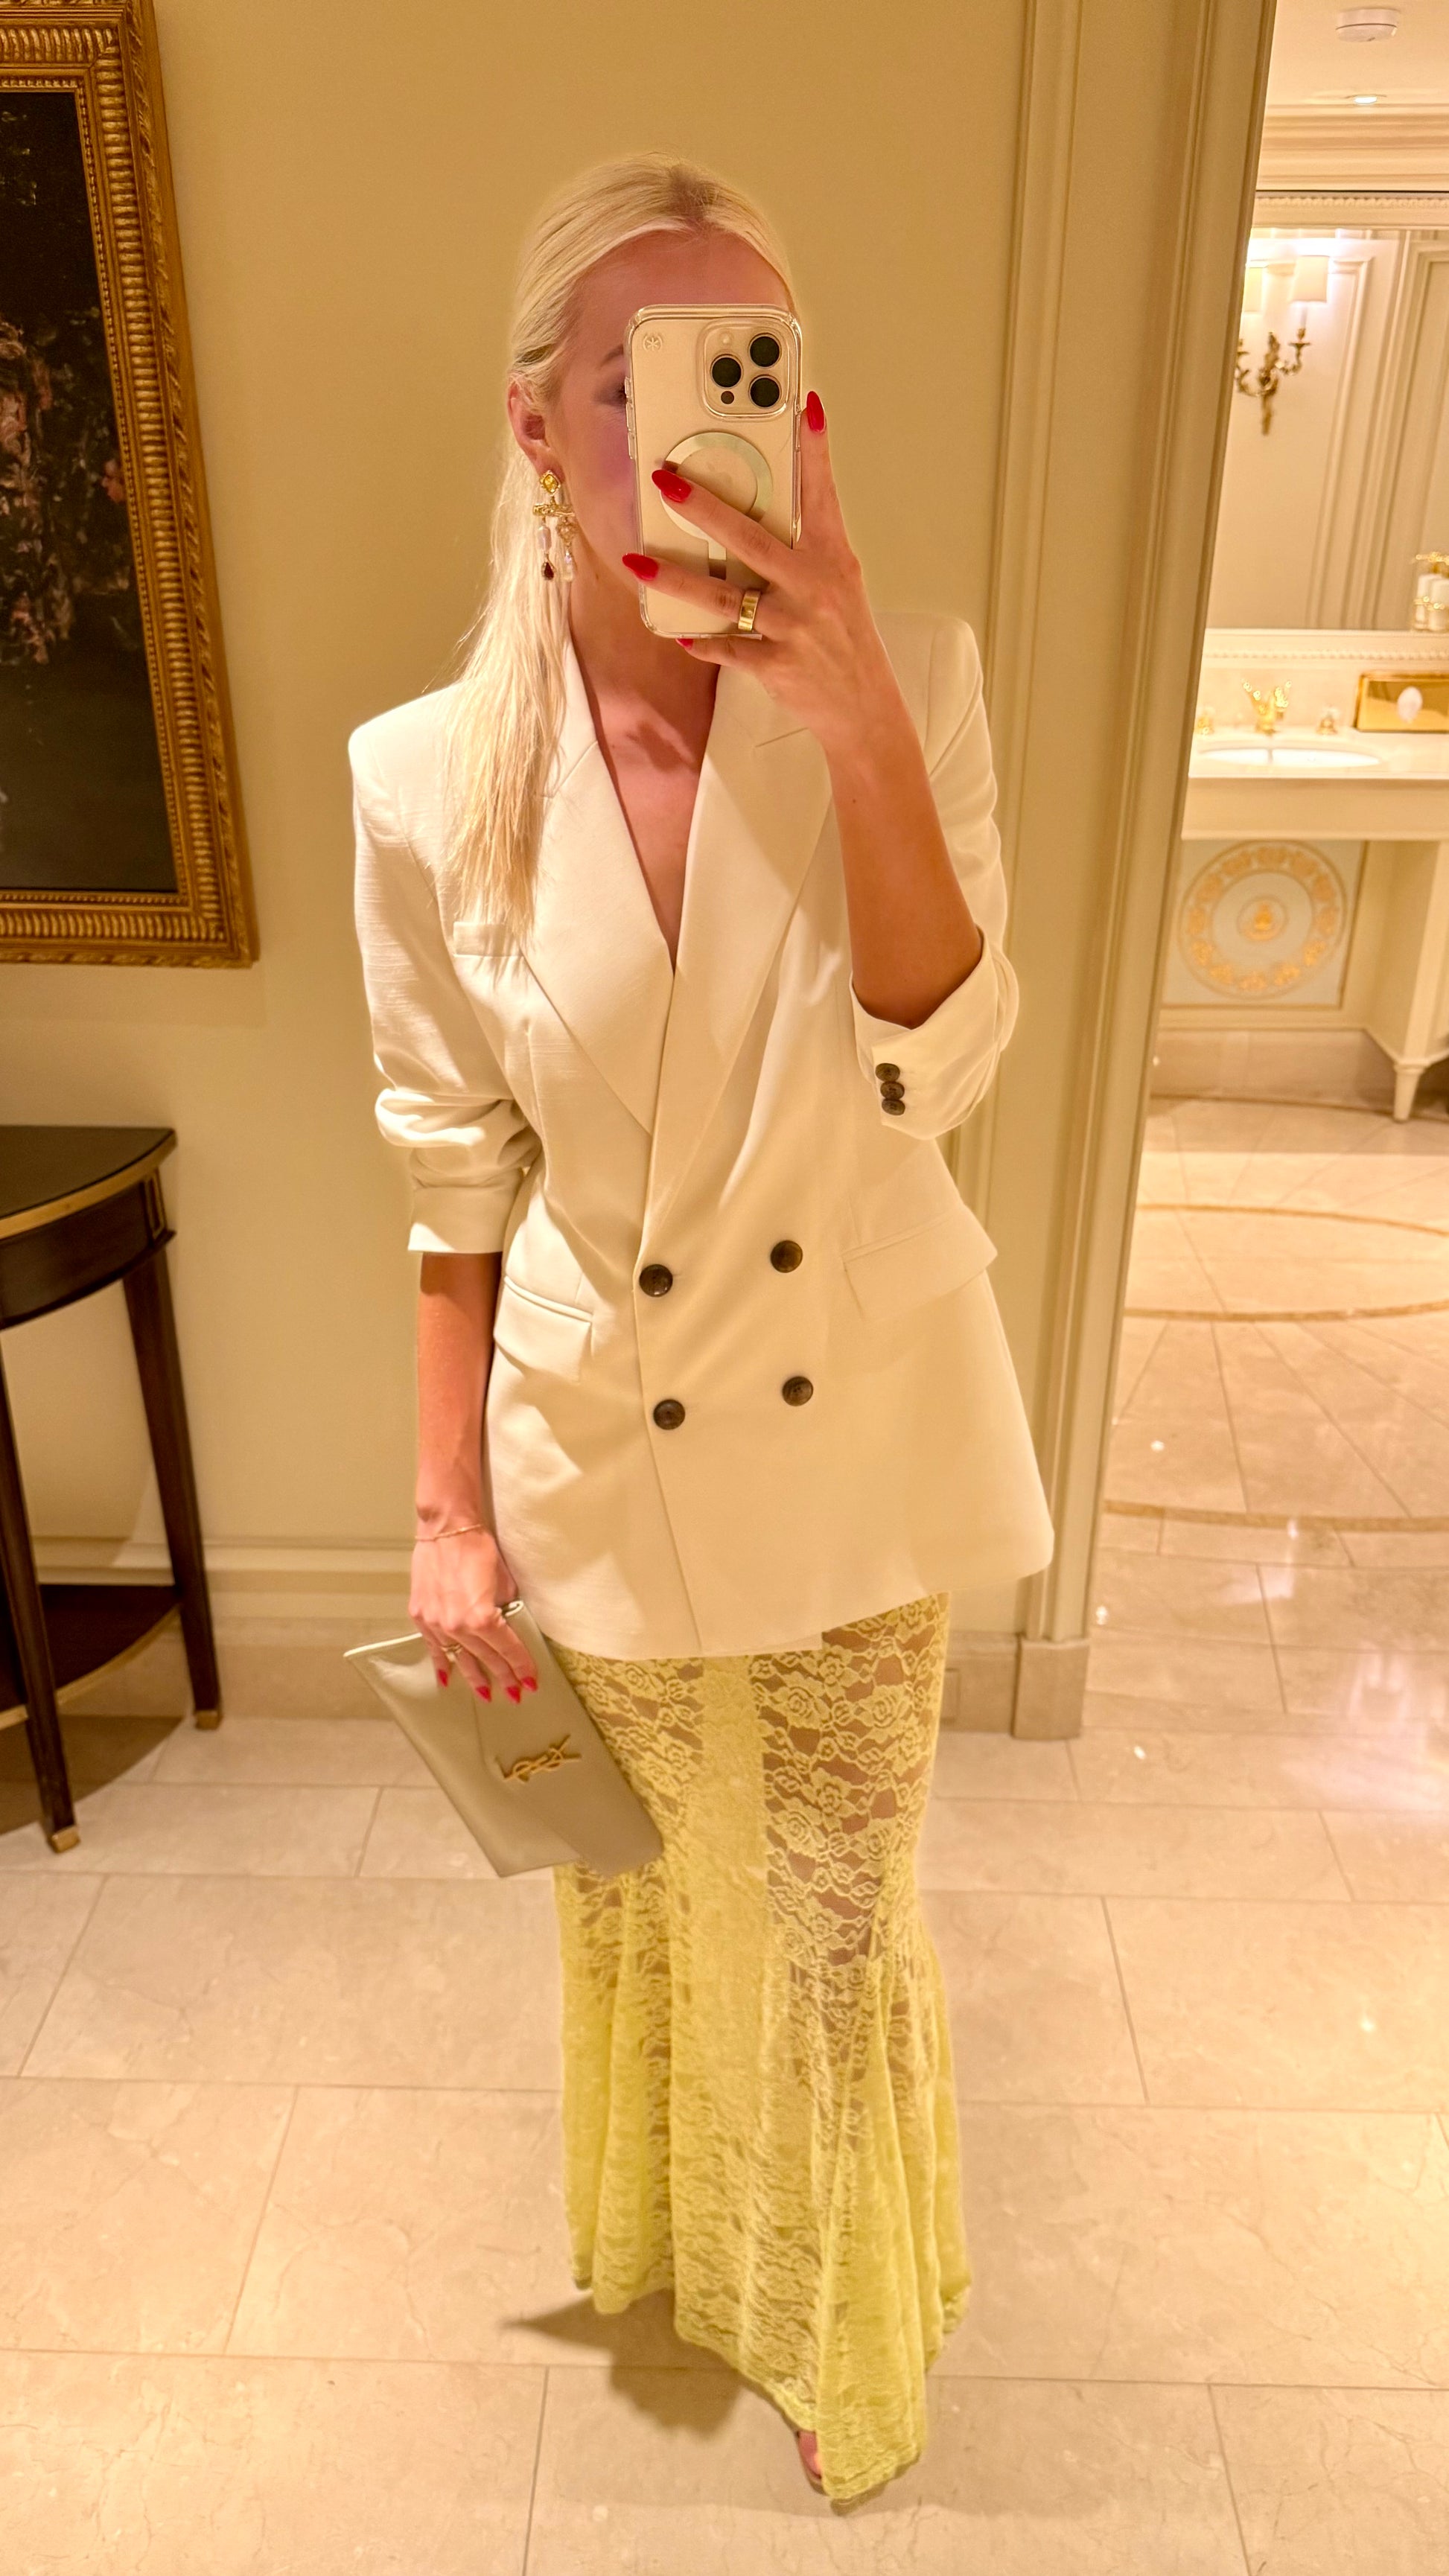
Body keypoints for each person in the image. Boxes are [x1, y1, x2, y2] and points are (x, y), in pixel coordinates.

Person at [350, 151, 1053, 2507]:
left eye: (746, 367)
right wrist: (442, 1511)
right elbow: (453, 1174)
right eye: (626, 374)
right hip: (594, 1440)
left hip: (858, 1426)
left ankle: (840, 2317)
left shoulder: (915, 679)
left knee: (834, 1917)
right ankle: (681, 2249)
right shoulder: (422, 775)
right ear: (535, 419)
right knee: (651, 1902)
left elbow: (945, 1066)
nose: (687, 422)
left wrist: (851, 717)